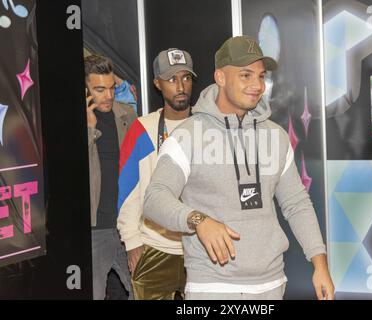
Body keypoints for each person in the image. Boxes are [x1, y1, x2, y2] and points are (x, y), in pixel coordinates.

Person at [143, 36, 335, 300]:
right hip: (212, 287)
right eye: (245, 75)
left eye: (260, 76)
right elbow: (154, 199)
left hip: (272, 284)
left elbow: (296, 203)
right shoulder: (187, 136)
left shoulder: (275, 135)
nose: (257, 85)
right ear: (220, 77)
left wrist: (320, 264)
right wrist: (198, 220)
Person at [117, 48, 197, 299]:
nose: (181, 86)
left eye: (186, 77)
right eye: (172, 79)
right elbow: (128, 189)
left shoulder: (208, 126)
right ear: (157, 83)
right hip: (153, 247)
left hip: (200, 249)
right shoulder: (143, 128)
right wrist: (132, 242)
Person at [85, 54, 137, 300]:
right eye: (99, 89)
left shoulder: (126, 114)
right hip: (95, 229)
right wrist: (89, 129)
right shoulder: (75, 121)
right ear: (85, 89)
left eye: (111, 88)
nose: (108, 95)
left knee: (143, 291)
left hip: (128, 227)